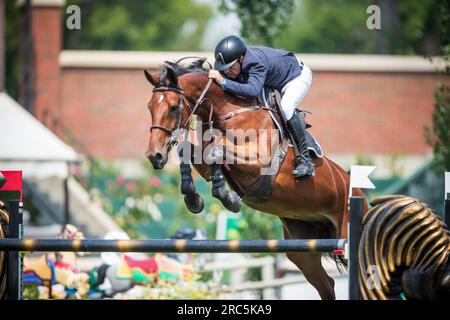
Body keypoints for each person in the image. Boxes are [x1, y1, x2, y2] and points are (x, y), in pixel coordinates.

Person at [208, 35, 315, 178]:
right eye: (224, 69)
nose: (227, 72)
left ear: (241, 58)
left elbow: (252, 91)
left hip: (296, 77)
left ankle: (306, 160)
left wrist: (224, 82)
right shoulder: (234, 64)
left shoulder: (255, 62)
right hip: (274, 80)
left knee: (286, 107)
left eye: (230, 67)